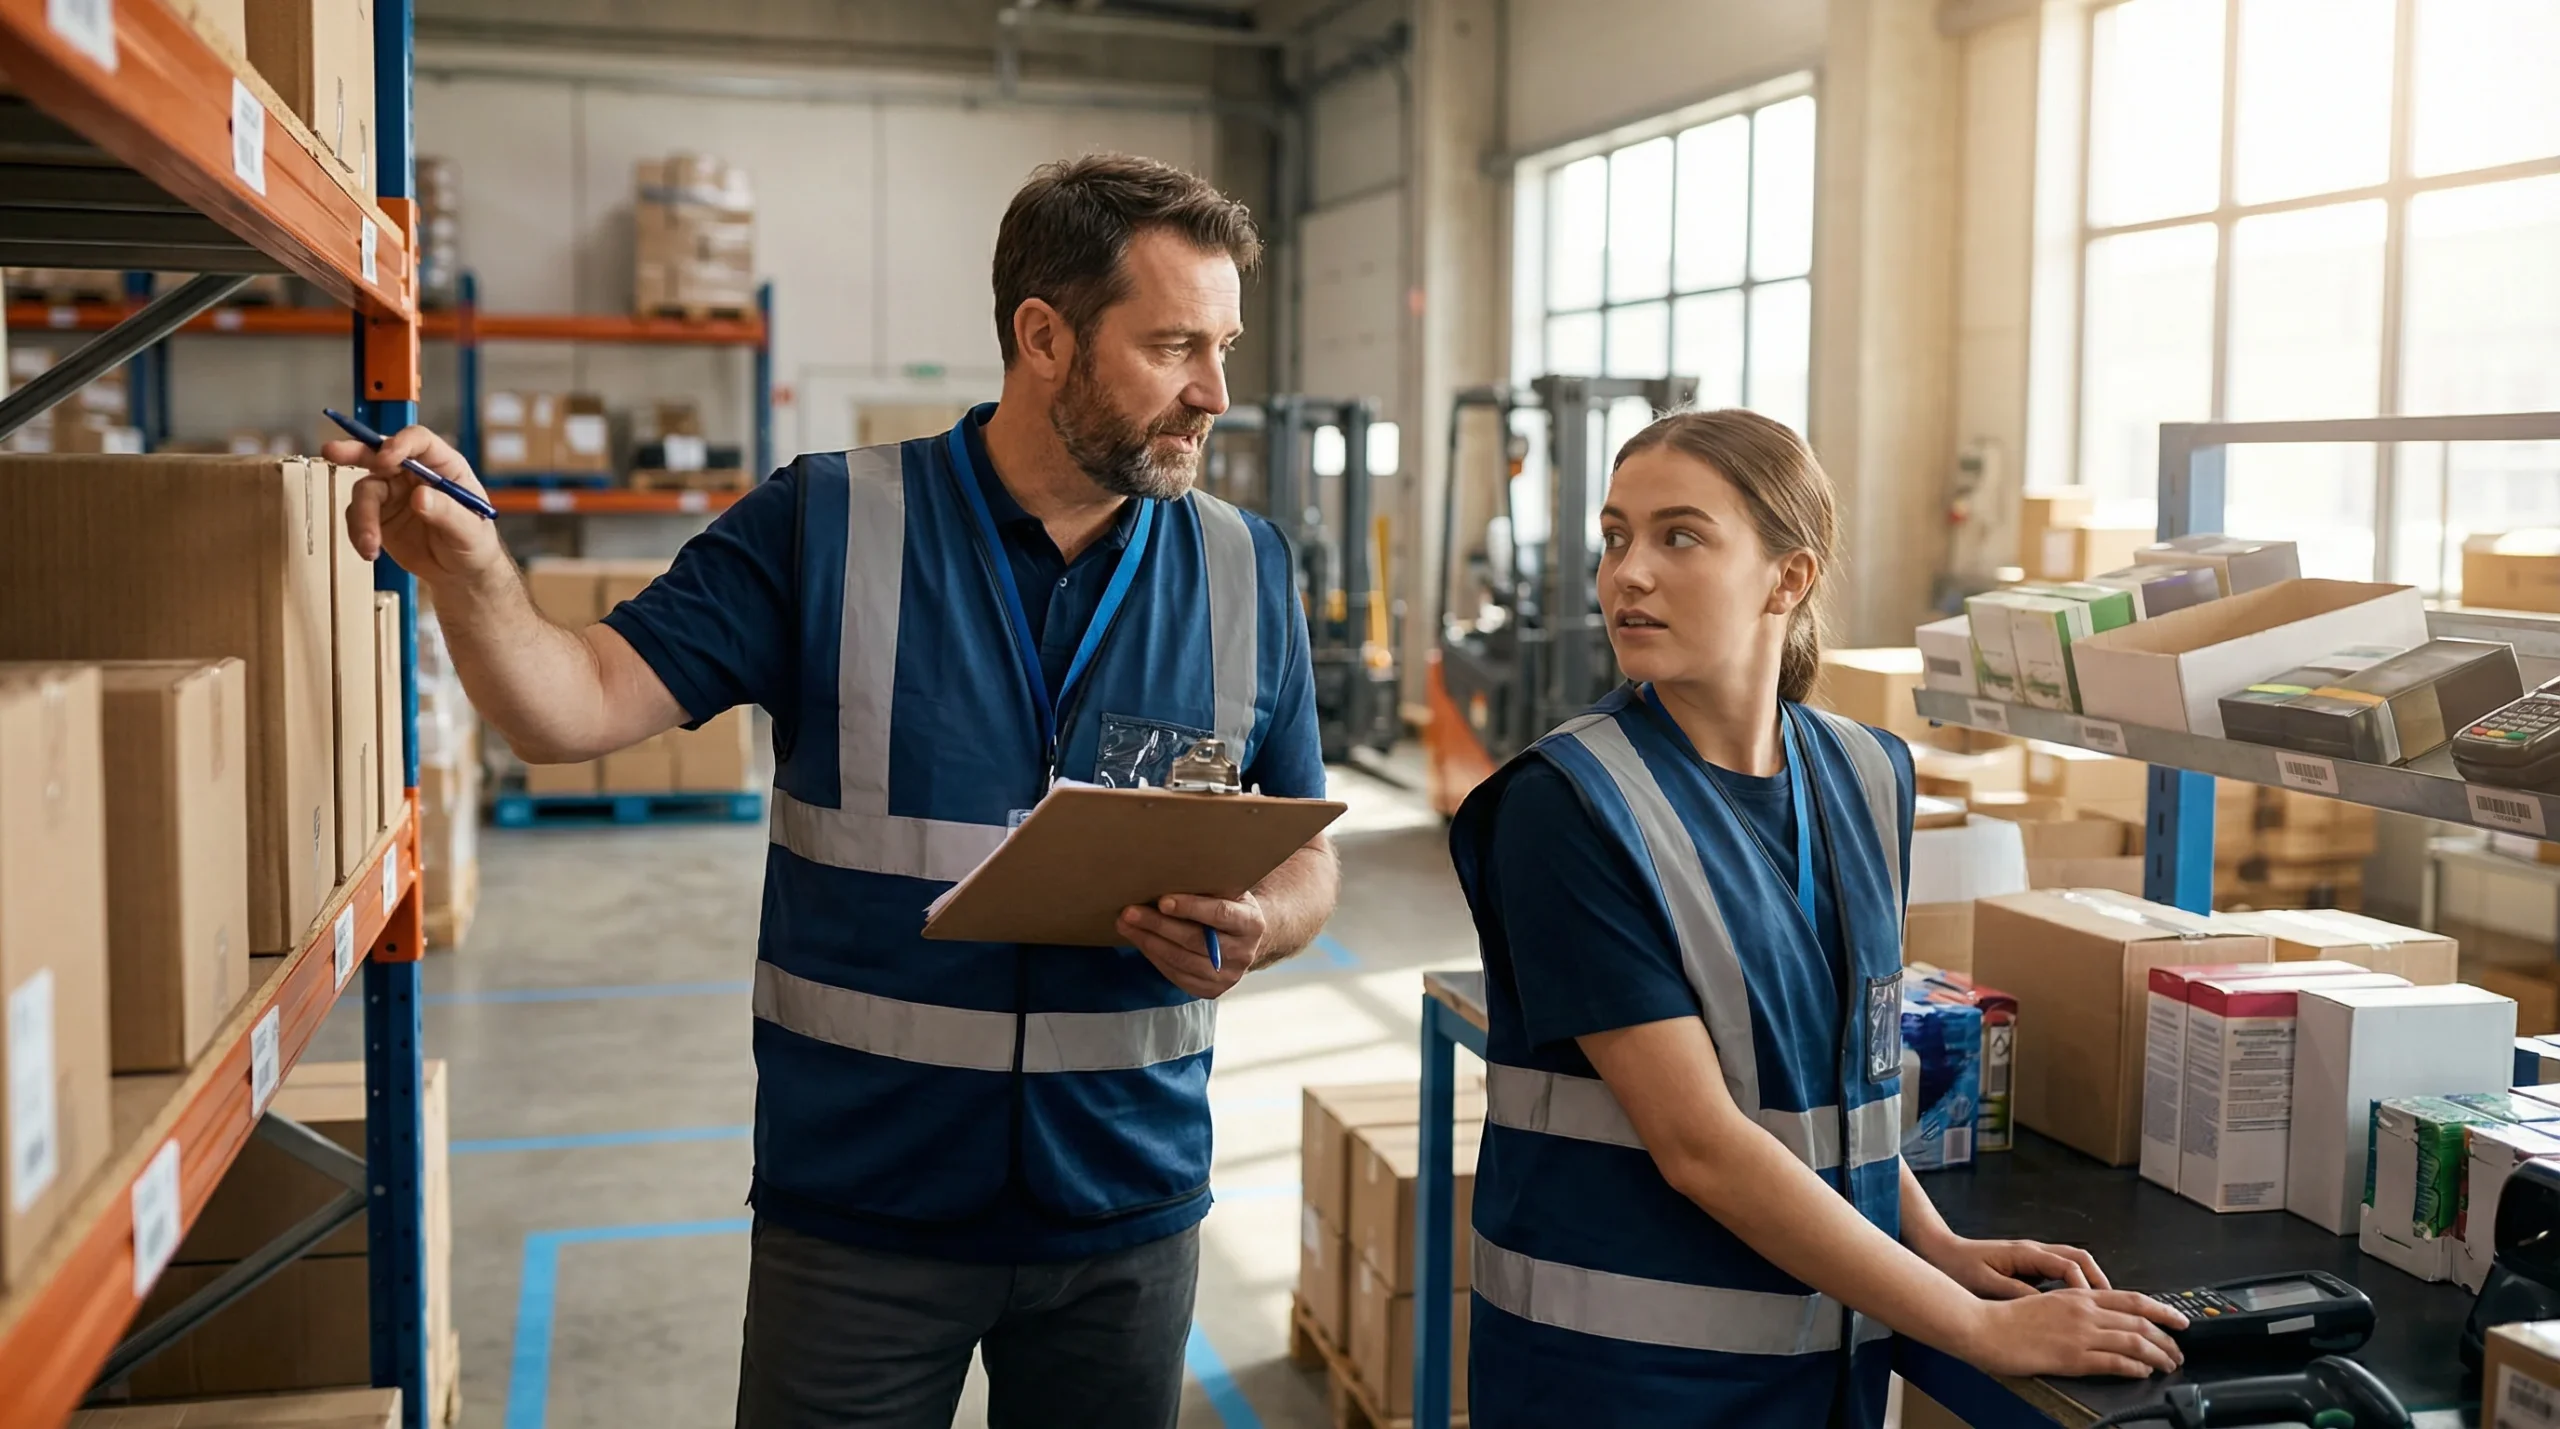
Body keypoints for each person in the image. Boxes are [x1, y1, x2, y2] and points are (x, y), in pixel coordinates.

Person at [331, 154, 1339, 1429]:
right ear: (1042, 336)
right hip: (864, 1217)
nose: (1214, 393)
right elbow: (569, 706)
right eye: (1174, 346)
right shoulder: (823, 524)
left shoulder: (1246, 570)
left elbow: (1302, 851)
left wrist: (1266, 922)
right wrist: (472, 573)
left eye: (1224, 345)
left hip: (1127, 1217)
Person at [1444, 409, 2187, 1427]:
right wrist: (1974, 1327)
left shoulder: (1864, 771)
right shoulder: (1567, 809)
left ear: (1786, 579)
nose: (1628, 574)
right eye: (1615, 537)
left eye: (1679, 536)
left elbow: (1845, 1089)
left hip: (1820, 1376)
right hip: (1622, 1384)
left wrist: (1928, 1242)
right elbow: (1699, 1142)